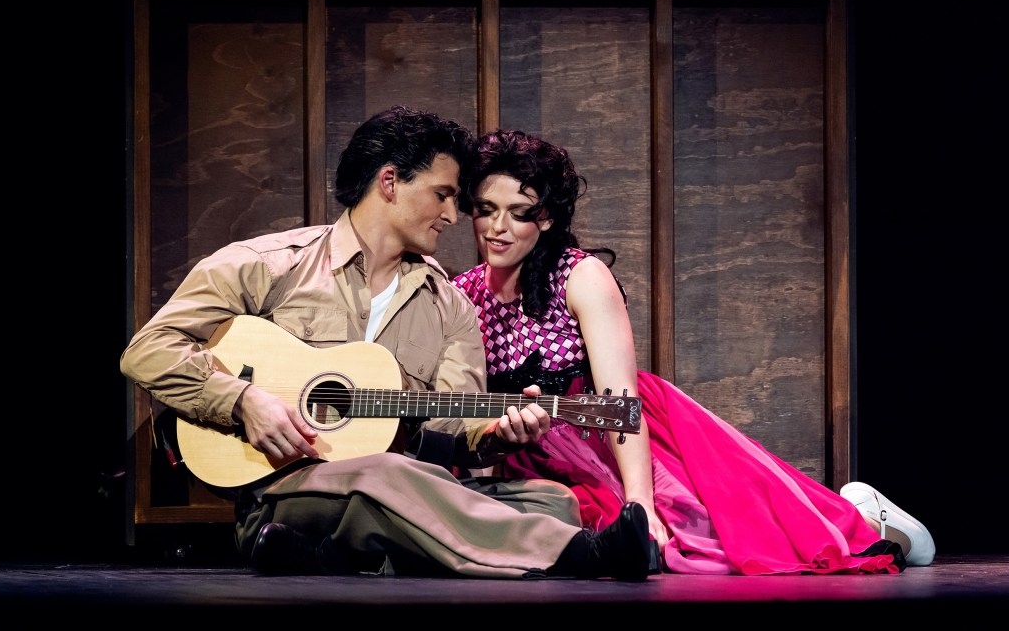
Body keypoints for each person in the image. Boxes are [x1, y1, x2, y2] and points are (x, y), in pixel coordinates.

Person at [120, 106, 656, 581]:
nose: (453, 215)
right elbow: (147, 350)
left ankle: (332, 558)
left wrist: (496, 433)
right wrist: (242, 400)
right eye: (444, 195)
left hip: (398, 482)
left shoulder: (451, 307)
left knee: (550, 500)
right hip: (283, 489)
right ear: (391, 181)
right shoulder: (269, 265)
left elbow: (452, 429)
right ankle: (580, 557)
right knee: (384, 472)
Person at [451, 129, 936, 575]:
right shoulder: (462, 294)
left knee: (714, 545)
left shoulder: (580, 276)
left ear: (547, 217)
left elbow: (620, 399)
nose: (498, 227)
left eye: (519, 213)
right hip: (535, 458)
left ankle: (868, 517)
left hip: (614, 435)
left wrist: (639, 505)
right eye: (486, 209)